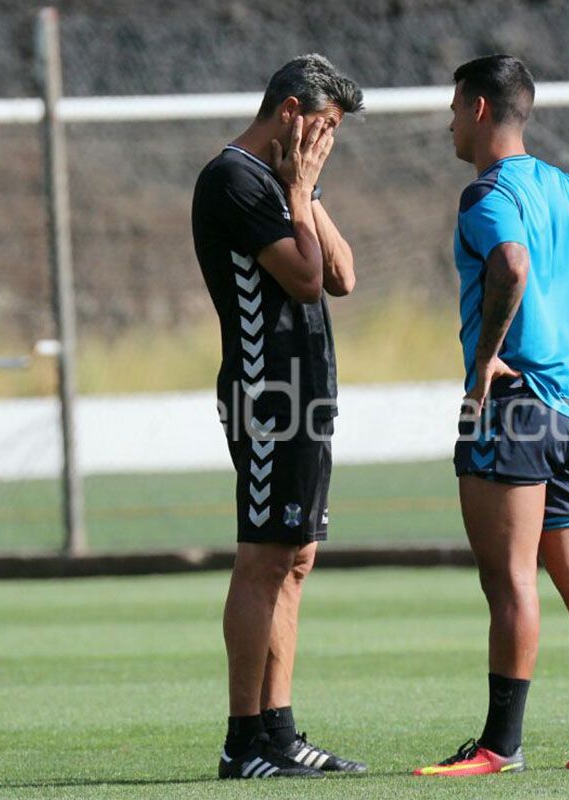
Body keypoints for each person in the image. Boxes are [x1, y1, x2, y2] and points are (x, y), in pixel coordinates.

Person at [413, 54, 569, 777]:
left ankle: (501, 746)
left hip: (514, 408)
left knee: (510, 581)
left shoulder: (486, 195)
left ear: (482, 109)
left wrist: (486, 357)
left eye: (456, 108)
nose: (450, 123)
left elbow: (513, 265)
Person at [191, 54, 367, 780]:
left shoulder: (288, 186)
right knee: (263, 557)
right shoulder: (232, 179)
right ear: (290, 112)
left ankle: (280, 730)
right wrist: (297, 189)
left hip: (306, 395)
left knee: (295, 559)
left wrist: (307, 189)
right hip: (267, 397)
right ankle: (243, 741)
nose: (327, 141)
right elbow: (300, 277)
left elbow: (343, 275)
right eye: (323, 127)